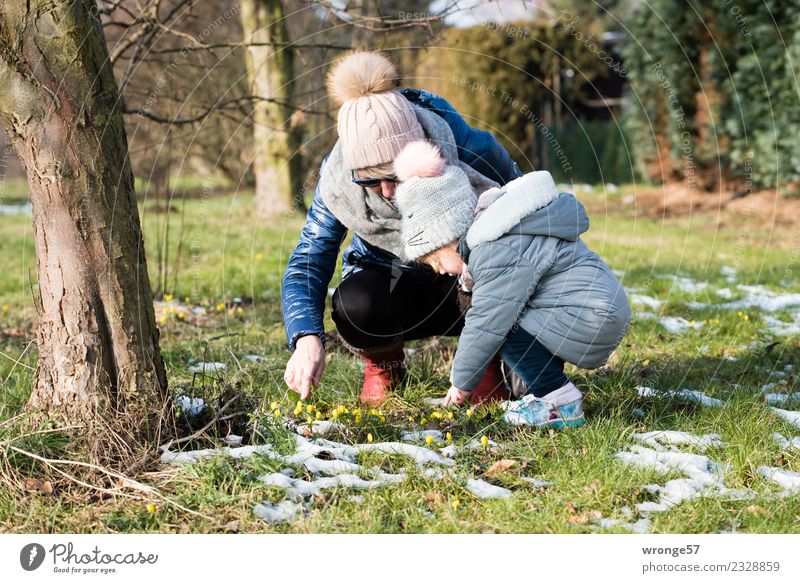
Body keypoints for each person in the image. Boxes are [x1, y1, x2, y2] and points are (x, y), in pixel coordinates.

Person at [281, 51, 522, 405]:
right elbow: (309, 259)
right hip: (390, 280)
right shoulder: (337, 181)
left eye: (396, 175)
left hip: (467, 285)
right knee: (355, 304)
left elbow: (531, 219)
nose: (390, 192)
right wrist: (305, 337)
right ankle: (385, 366)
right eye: (373, 182)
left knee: (501, 271)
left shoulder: (468, 147)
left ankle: (484, 366)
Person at [393, 140, 631, 427]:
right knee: (512, 316)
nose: (441, 271)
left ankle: (560, 400)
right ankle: (544, 393)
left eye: (437, 260)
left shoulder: (494, 248)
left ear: (450, 237)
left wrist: (460, 384)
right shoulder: (503, 230)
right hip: (595, 311)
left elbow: (488, 323)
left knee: (500, 323)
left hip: (591, 315)